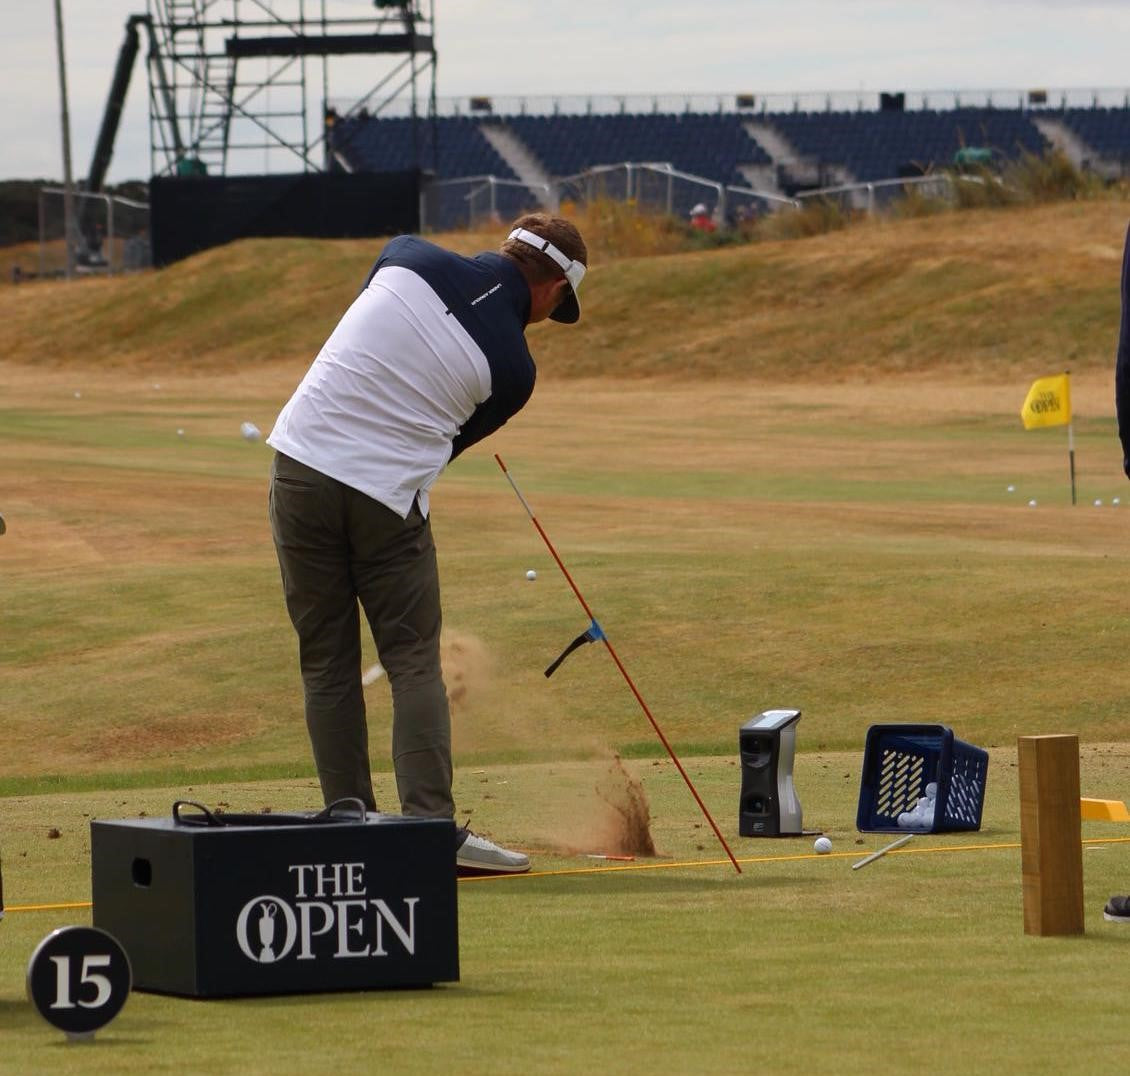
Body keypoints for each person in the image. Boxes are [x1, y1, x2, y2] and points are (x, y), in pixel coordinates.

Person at [267, 213, 588, 874]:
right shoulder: (516, 370)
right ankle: (426, 833)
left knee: (325, 660)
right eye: (557, 305)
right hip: (385, 495)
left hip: (298, 467)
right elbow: (448, 444)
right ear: (552, 286)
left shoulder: (403, 254)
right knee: (413, 659)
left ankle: (347, 826)